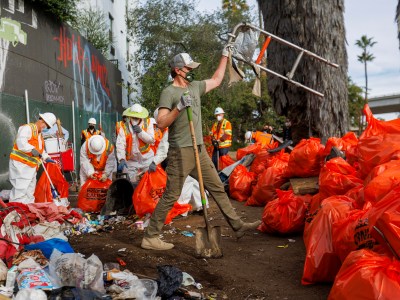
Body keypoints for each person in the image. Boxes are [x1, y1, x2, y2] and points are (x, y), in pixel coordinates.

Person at [141, 50, 261, 251]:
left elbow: (216, 79)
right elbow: (161, 123)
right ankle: (150, 236)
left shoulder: (195, 87)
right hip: (180, 152)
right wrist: (178, 107)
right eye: (188, 68)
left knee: (217, 187)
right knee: (171, 194)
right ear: (178, 71)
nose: (191, 71)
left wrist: (224, 56)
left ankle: (237, 226)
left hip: (199, 150)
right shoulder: (169, 93)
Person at [9, 112, 57, 204]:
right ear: (42, 121)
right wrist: (32, 149)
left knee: (29, 192)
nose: (46, 128)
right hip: (21, 166)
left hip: (31, 167)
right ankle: (17, 212)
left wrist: (46, 157)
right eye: (47, 126)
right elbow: (21, 143)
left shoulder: (39, 135)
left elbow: (40, 150)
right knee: (20, 191)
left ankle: (28, 211)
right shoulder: (27, 128)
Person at [115, 103, 155, 185]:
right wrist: (122, 159)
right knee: (131, 182)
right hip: (132, 160)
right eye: (133, 117)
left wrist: (140, 132)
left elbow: (151, 140)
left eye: (137, 117)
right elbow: (120, 144)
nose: (135, 119)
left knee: (149, 181)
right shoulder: (124, 127)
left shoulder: (148, 123)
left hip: (146, 158)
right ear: (130, 116)